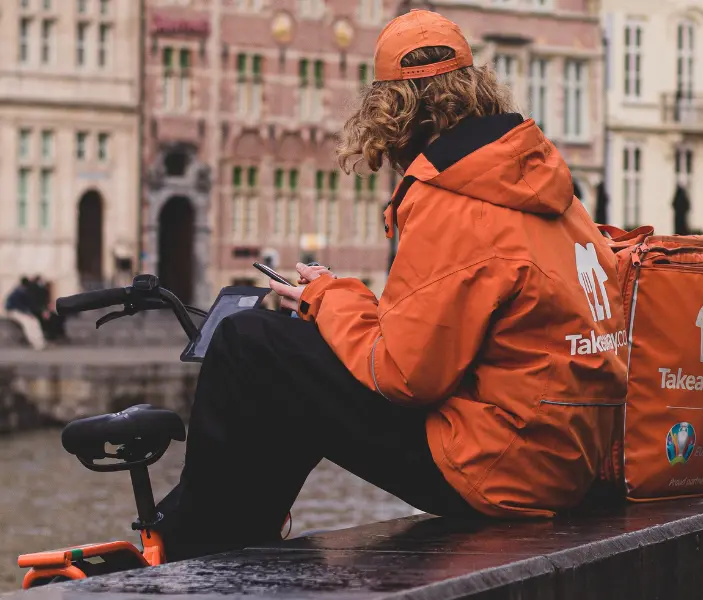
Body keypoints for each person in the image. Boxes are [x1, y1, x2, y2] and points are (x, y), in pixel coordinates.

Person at [155, 9, 628, 562]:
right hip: (563, 456)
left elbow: (404, 375)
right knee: (298, 364)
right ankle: (235, 534)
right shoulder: (547, 190)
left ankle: (194, 547)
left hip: (500, 467)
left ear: (390, 114)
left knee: (248, 343)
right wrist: (337, 304)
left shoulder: (451, 199)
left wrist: (329, 296)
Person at [4, 277, 47, 350]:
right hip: (14, 311)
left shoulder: (19, 291)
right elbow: (19, 305)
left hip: (17, 311)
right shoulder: (19, 292)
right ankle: (37, 343)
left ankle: (39, 342)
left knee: (33, 322)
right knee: (28, 323)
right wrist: (28, 313)